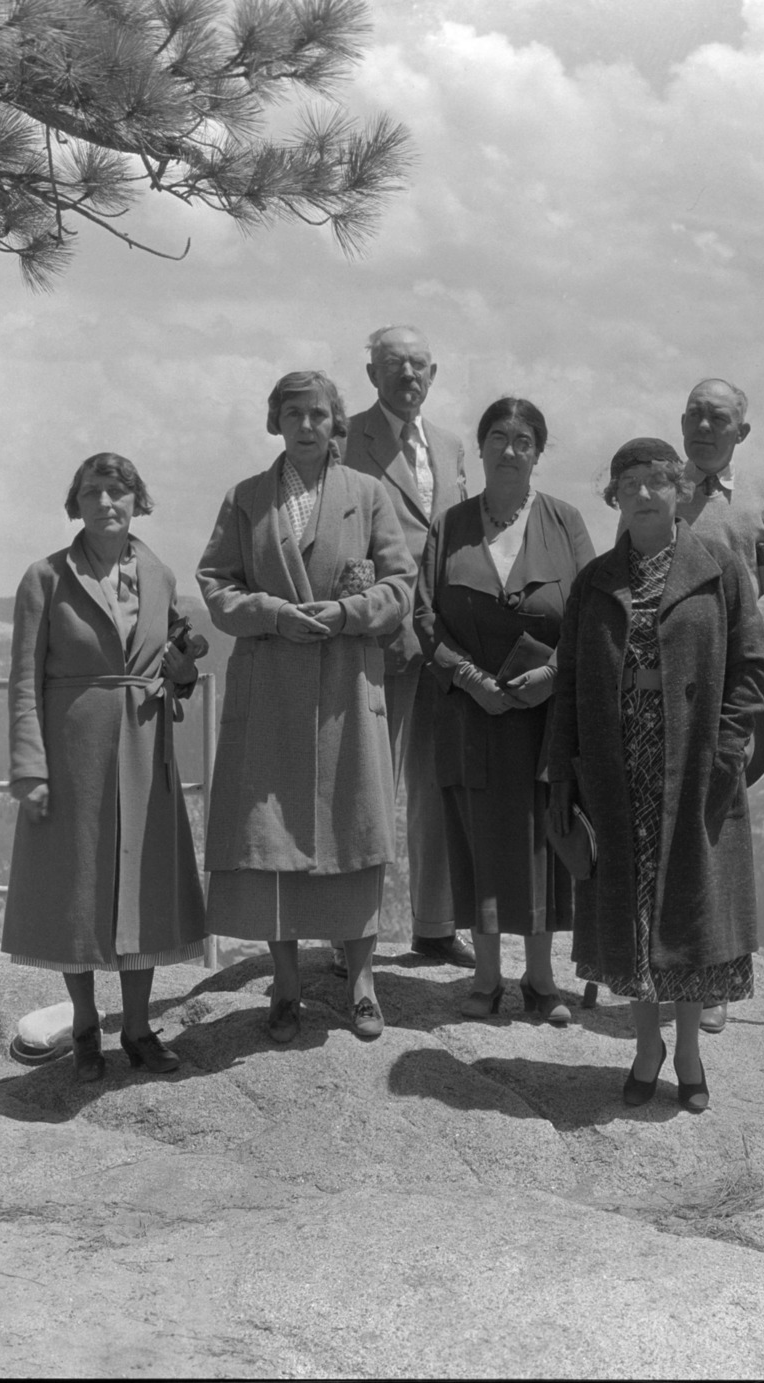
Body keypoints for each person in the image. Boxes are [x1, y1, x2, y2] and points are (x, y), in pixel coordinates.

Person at [545, 439, 764, 1111]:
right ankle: (646, 1050)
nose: (644, 493)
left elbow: (751, 666)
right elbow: (566, 684)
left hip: (694, 771)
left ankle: (691, 1052)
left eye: (656, 480)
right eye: (629, 482)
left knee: (691, 918)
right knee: (632, 917)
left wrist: (726, 750)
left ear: (679, 489)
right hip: (618, 772)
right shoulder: (594, 582)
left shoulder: (720, 570)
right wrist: (563, 773)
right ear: (613, 494)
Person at [197, 370, 416, 1042]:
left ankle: (361, 983)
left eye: (318, 414)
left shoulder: (367, 494)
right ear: (275, 422)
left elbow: (401, 583)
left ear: (335, 423)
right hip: (269, 690)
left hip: (346, 688)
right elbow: (214, 582)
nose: (305, 426)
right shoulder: (246, 498)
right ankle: (285, 981)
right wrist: (269, 612)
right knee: (271, 838)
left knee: (354, 831)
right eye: (292, 414)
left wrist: (349, 611)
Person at [2, 453, 208, 1082]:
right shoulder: (45, 578)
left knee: (142, 890)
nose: (106, 503)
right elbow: (22, 681)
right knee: (77, 887)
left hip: (146, 749)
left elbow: (180, 677)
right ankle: (87, 1023)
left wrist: (183, 672)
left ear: (137, 500)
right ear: (76, 503)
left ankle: (139, 1026)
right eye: (92, 492)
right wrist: (29, 770)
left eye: (118, 491)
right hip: (73, 756)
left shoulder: (161, 574)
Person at [414, 397, 597, 1022]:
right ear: (482, 447)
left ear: (538, 453)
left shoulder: (565, 521)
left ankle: (541, 982)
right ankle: (487, 979)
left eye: (523, 439)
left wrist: (552, 675)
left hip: (546, 715)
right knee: (479, 837)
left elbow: (591, 613)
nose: (510, 449)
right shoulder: (450, 525)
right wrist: (469, 679)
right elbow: (424, 617)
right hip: (471, 712)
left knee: (545, 837)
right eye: (498, 437)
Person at [338, 324, 476, 973]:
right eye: (394, 365)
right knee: (366, 790)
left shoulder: (450, 447)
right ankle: (349, 933)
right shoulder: (347, 443)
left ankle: (436, 924)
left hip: (443, 641)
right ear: (371, 374)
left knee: (438, 782)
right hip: (379, 641)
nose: (408, 376)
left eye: (419, 365)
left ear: (434, 372)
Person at [676, 377, 764, 1034]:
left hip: (735, 676)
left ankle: (714, 973)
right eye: (695, 414)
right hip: (667, 676)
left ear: (741, 433)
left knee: (722, 817)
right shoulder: (658, 489)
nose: (704, 426)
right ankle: (664, 958)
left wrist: (741, 627)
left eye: (717, 417)